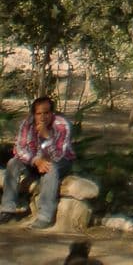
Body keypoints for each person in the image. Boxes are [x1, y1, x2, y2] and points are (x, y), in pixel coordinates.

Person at [0, 96, 76, 228]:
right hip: (35, 160)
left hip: (60, 161)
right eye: (39, 113)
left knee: (50, 168)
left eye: (46, 113)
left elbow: (58, 155)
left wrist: (47, 136)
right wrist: (36, 161)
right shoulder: (27, 124)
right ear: (34, 114)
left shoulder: (62, 125)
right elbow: (19, 149)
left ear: (52, 113)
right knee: (13, 163)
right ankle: (7, 209)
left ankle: (45, 216)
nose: (43, 117)